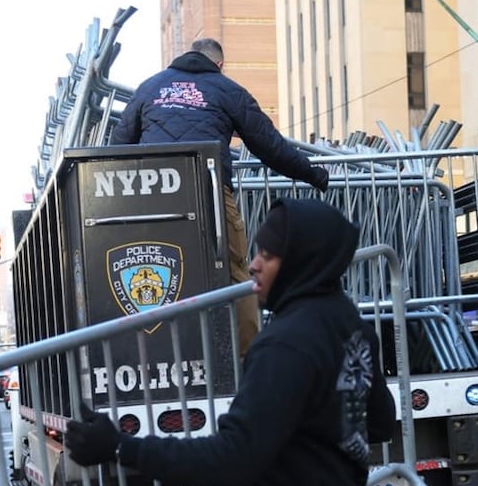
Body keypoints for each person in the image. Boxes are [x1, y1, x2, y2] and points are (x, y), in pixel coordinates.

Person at [65, 197, 397, 486]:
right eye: (256, 251)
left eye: (268, 254)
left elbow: (233, 460)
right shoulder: (348, 323)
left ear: (302, 259)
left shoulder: (288, 343)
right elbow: (378, 423)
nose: (254, 265)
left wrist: (121, 447)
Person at [110, 38, 330, 356]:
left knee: (161, 271)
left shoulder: (149, 88)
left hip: (153, 200)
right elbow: (270, 146)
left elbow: (117, 147)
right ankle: (249, 358)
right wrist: (314, 174)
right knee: (237, 272)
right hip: (209, 195)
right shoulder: (227, 90)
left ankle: (165, 356)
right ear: (219, 64)